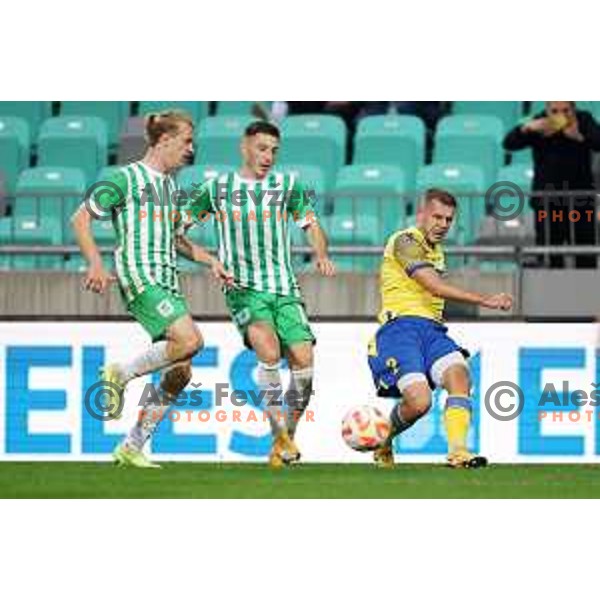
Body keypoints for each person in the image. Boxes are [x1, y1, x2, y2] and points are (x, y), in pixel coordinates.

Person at [71, 110, 232, 468]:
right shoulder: (125, 178)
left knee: (181, 372)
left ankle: (131, 445)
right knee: (191, 340)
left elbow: (178, 240)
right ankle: (120, 373)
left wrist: (212, 262)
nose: (191, 149)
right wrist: (95, 262)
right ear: (164, 140)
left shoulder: (171, 187)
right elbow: (80, 217)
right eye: (186, 141)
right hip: (140, 276)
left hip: (168, 281)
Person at [184, 120, 336, 467]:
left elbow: (312, 225)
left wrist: (322, 253)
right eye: (262, 148)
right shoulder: (218, 188)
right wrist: (210, 261)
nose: (268, 157)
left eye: (274, 151)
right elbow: (177, 230)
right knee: (267, 351)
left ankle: (286, 438)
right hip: (244, 289)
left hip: (284, 287)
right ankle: (280, 435)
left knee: (304, 364)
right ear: (245, 146)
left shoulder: (288, 186)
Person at [367, 189, 513, 468]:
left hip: (432, 332)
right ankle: (384, 439)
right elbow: (433, 286)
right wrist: (486, 300)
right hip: (400, 329)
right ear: (421, 213)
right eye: (437, 217)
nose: (443, 224)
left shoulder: (436, 251)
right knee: (420, 403)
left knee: (460, 375)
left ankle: (458, 451)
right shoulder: (405, 241)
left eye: (448, 219)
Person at [503, 101, 600, 268]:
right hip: (547, 204)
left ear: (573, 109)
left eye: (566, 110)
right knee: (549, 256)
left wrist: (579, 137)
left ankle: (586, 293)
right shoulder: (540, 122)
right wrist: (526, 128)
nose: (560, 115)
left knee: (586, 255)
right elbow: (509, 144)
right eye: (554, 111)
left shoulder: (584, 120)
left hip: (581, 203)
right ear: (547, 111)